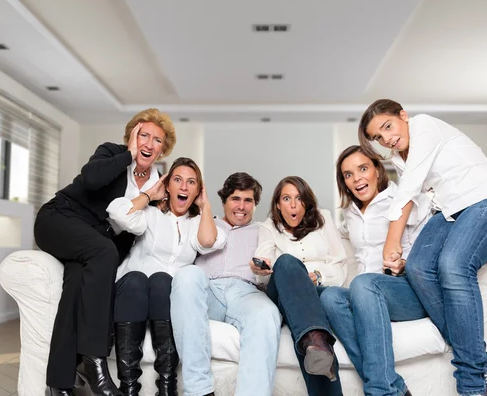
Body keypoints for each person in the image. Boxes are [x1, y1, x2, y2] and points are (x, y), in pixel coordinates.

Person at [359, 99, 487, 396]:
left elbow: (408, 190)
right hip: (450, 211)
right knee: (419, 268)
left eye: (388, 126)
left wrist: (391, 242)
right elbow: (419, 200)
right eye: (379, 138)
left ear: (403, 116)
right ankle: (482, 360)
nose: (387, 139)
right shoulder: (399, 158)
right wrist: (398, 252)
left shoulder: (423, 125)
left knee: (453, 265)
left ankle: (472, 385)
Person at [34, 109, 176, 396]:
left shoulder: (157, 183)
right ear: (132, 136)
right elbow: (90, 179)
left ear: (164, 148)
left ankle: (59, 384)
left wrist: (152, 198)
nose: (149, 144)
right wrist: (129, 154)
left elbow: (133, 234)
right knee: (103, 251)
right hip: (59, 220)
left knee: (76, 285)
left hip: (90, 246)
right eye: (143, 135)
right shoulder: (112, 154)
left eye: (157, 140)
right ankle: (95, 361)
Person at [106, 157, 225, 396]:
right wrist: (149, 194)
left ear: (197, 190)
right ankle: (129, 387)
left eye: (191, 182)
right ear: (167, 185)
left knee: (163, 281)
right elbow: (117, 213)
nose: (183, 187)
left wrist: (206, 207)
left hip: (164, 296)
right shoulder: (150, 215)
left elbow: (209, 241)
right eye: (178, 180)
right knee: (138, 278)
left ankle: (167, 386)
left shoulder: (196, 224)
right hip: (134, 293)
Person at [320, 145, 432, 396]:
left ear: (377, 170)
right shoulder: (349, 213)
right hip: (366, 296)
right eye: (348, 174)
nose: (357, 178)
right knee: (330, 297)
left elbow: (427, 250)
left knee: (363, 283)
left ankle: (379, 391)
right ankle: (394, 385)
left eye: (362, 168)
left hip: (405, 292)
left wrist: (404, 264)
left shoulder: (402, 202)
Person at [170, 172, 282, 396]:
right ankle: (198, 390)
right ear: (224, 201)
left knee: (267, 312)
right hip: (208, 290)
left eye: (248, 200)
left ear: (255, 204)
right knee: (187, 275)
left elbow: (273, 265)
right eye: (235, 199)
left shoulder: (264, 230)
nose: (241, 206)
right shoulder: (205, 223)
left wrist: (264, 271)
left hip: (246, 293)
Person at [254, 176, 346, 396]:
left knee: (315, 342)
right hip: (283, 293)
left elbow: (340, 263)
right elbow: (264, 263)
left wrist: (317, 275)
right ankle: (316, 339)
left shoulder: (324, 218)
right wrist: (261, 267)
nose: (293, 205)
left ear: (306, 201)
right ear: (278, 204)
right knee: (285, 262)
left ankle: (315, 342)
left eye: (298, 198)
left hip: (317, 291)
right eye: (286, 198)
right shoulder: (268, 227)